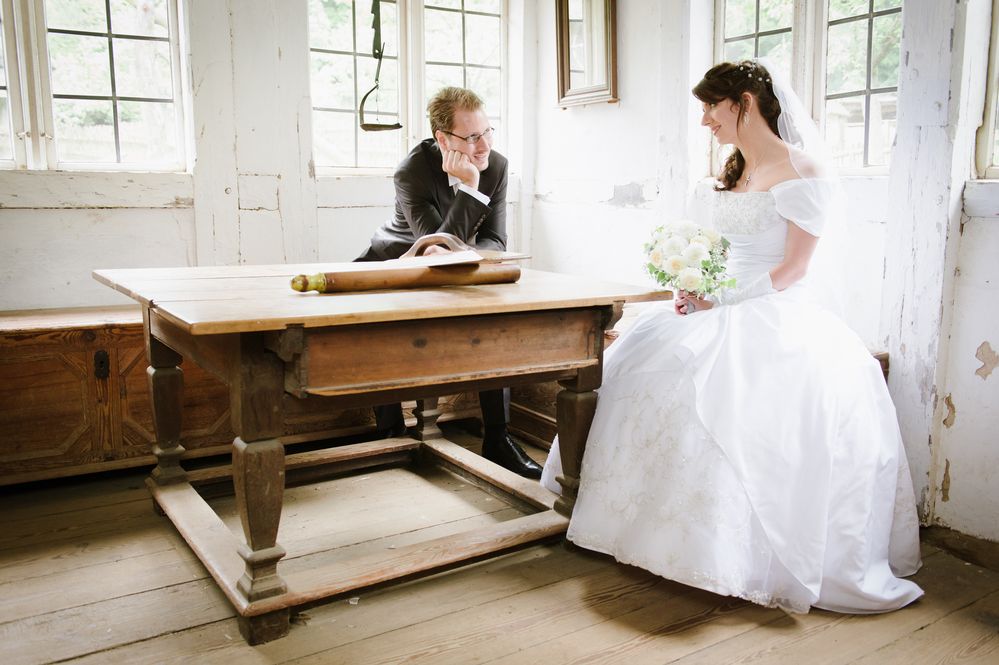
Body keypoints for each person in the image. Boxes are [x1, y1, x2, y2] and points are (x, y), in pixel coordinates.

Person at [540, 60, 924, 613]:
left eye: (710, 107)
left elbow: (792, 271)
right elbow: (719, 250)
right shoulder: (734, 168)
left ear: (743, 102)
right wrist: (692, 286)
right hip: (716, 302)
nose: (704, 121)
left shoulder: (805, 171)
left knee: (728, 394)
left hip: (773, 310)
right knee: (638, 368)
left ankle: (732, 556)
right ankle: (633, 527)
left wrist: (723, 300)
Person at [356, 86, 542, 479]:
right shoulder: (412, 171)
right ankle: (389, 431)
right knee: (380, 332)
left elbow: (496, 240)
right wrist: (471, 187)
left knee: (494, 318)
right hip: (397, 263)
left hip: (461, 264)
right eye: (471, 136)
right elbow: (432, 248)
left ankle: (498, 436)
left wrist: (469, 242)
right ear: (443, 139)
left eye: (487, 132)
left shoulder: (498, 165)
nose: (482, 145)